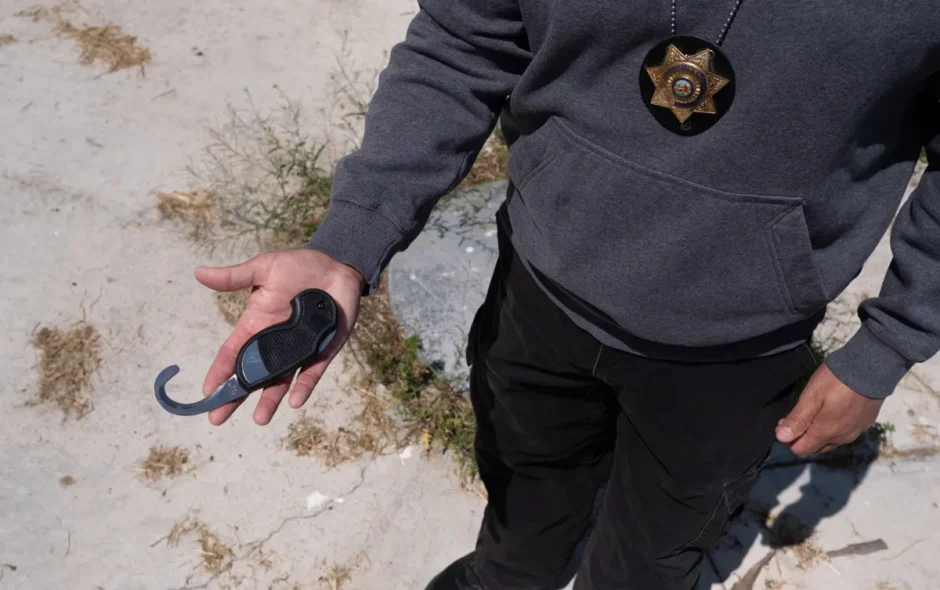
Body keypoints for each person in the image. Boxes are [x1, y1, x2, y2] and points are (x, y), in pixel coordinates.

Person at [192, 1, 940, 589]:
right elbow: (464, 41)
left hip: (739, 349)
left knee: (661, 541)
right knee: (524, 471)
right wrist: (348, 239)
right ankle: (511, 577)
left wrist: (887, 347)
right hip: (539, 286)